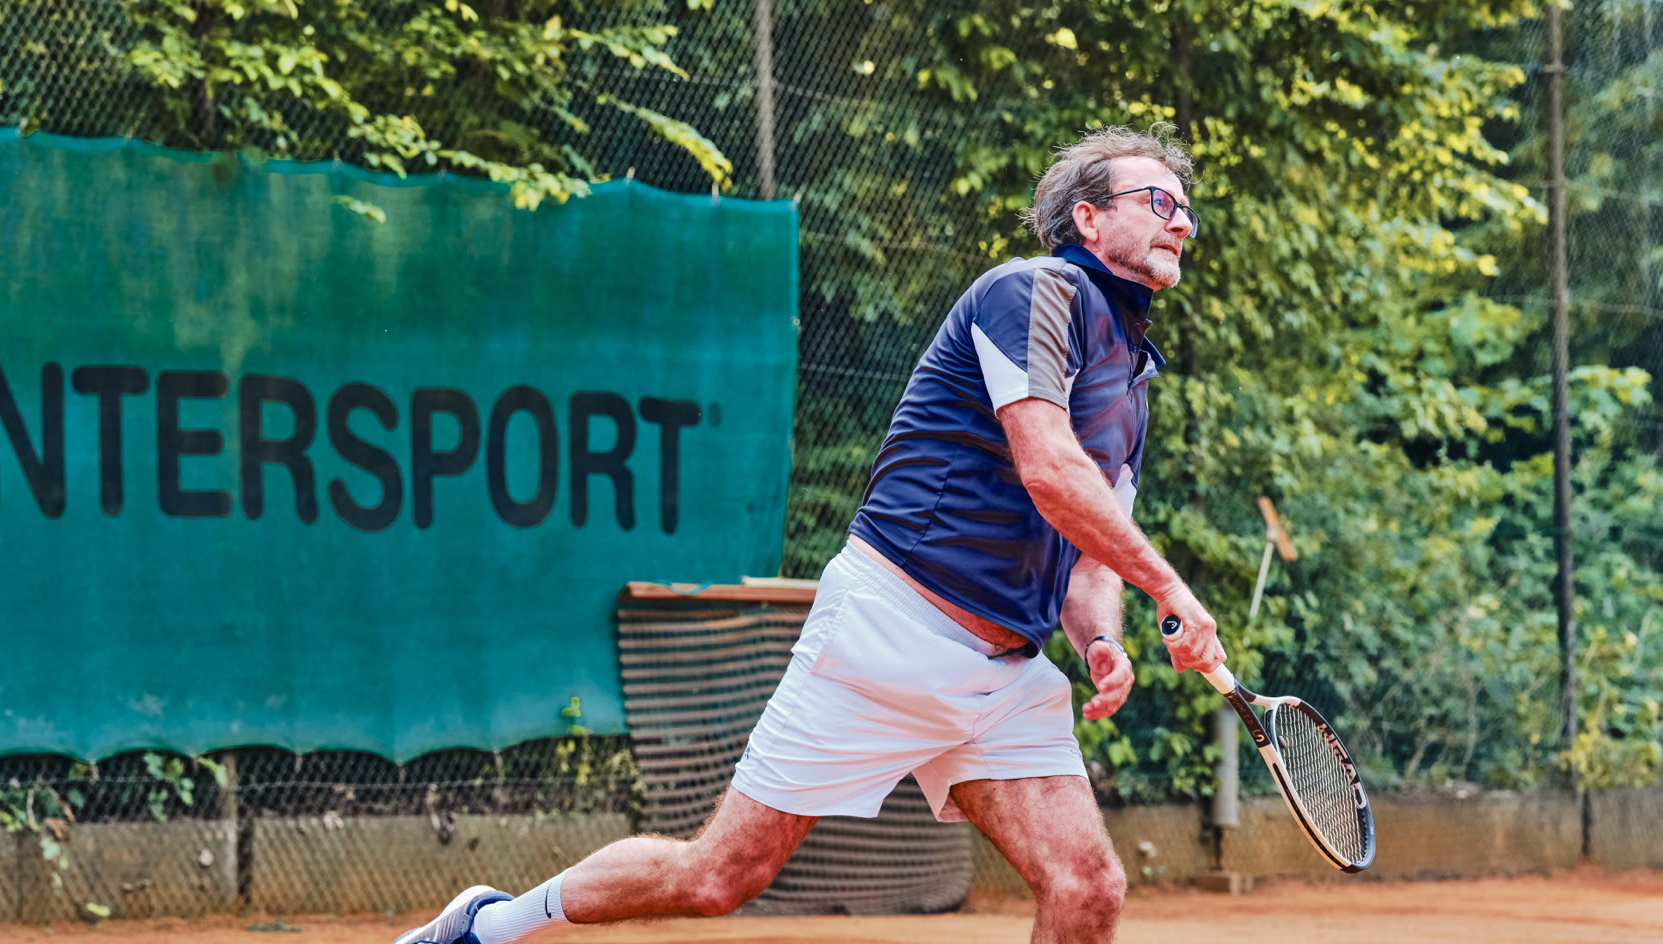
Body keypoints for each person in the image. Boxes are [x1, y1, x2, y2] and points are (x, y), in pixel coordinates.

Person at [394, 124, 1226, 944]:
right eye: (1159, 201)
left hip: (1004, 672)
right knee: (717, 877)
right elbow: (1049, 469)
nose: (1181, 221)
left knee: (1087, 888)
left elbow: (1089, 550)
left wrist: (1101, 640)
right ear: (1088, 219)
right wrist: (1173, 588)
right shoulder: (1034, 292)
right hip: (890, 626)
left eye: (1187, 208)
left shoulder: (1133, 382)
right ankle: (489, 924)